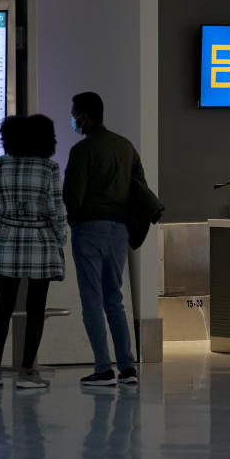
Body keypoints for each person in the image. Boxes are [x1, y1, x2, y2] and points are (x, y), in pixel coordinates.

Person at [0, 114, 68, 389]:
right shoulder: (49, 168)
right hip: (42, 243)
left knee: (3, 305)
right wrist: (61, 238)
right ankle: (27, 371)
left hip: (9, 242)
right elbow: (56, 211)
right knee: (35, 308)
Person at [63, 92, 144, 386]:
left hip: (89, 229)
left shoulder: (82, 150)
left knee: (92, 301)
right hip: (119, 230)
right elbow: (140, 189)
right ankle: (127, 368)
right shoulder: (125, 146)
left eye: (73, 115)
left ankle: (102, 368)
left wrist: (75, 219)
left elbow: (72, 195)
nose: (72, 120)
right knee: (115, 300)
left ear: (84, 116)